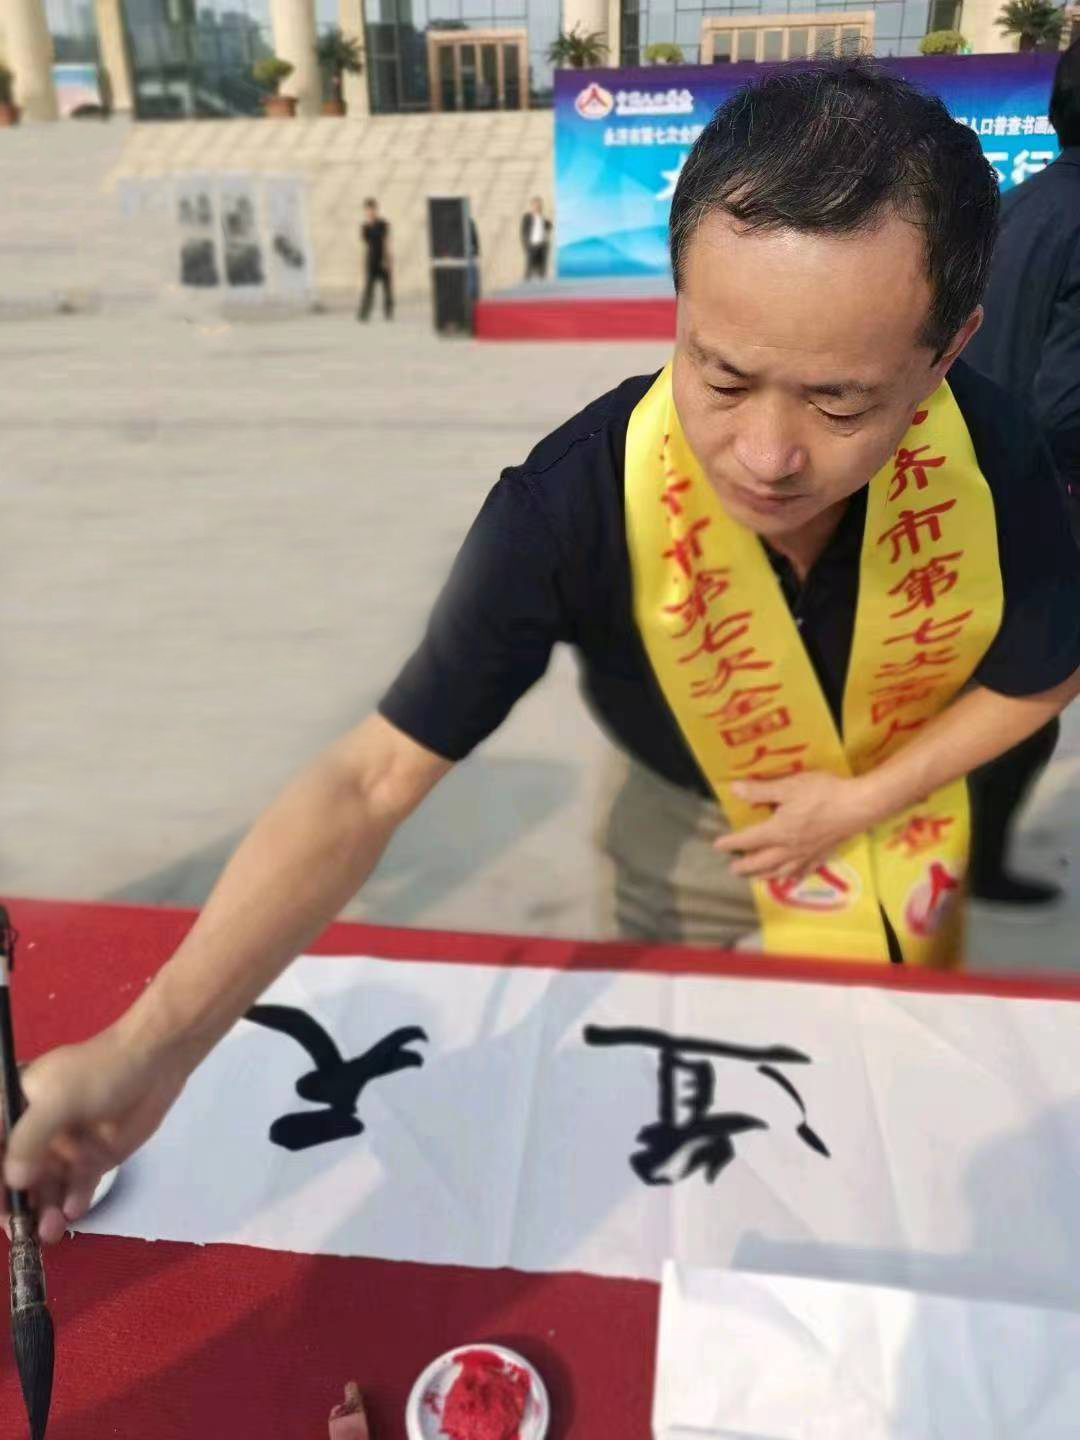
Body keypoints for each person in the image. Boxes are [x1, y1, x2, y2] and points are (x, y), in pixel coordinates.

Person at [6, 62, 1080, 1245]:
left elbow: (1044, 671)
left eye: (839, 404)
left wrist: (861, 801)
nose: (766, 455)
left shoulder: (992, 452)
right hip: (690, 839)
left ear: (948, 350)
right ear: (679, 298)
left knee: (883, 1150)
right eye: (721, 375)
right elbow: (371, 779)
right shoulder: (572, 500)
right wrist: (152, 1050)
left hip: (899, 819)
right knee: (690, 1157)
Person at [959, 39, 1080, 908]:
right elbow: (1065, 400)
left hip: (975, 485)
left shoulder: (1013, 208)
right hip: (1048, 499)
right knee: (1026, 697)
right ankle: (977, 864)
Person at [358, 198, 393, 322]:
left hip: (383, 258)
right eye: (367, 210)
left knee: (387, 288)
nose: (370, 212)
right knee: (369, 288)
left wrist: (386, 259)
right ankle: (364, 313)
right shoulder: (365, 226)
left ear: (375, 209)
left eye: (372, 209)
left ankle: (388, 312)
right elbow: (366, 243)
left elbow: (386, 241)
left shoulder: (383, 224)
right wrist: (369, 224)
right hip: (371, 259)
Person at [520, 197, 551, 281]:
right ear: (532, 206)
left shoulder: (542, 218)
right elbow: (523, 232)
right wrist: (526, 245)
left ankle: (542, 285)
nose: (538, 207)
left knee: (542, 269)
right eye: (536, 205)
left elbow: (549, 227)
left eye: (539, 205)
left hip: (542, 245)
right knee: (529, 268)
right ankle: (527, 285)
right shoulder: (527, 217)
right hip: (532, 246)